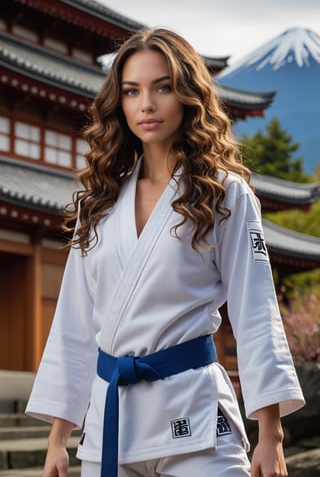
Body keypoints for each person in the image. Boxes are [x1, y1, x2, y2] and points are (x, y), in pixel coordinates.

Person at [26, 27, 304, 477]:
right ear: (119, 102)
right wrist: (58, 438)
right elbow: (74, 322)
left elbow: (256, 311)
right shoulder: (99, 203)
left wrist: (270, 436)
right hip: (111, 425)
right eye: (132, 91)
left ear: (189, 95)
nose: (146, 105)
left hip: (194, 417)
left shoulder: (223, 193)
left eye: (163, 87)